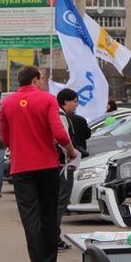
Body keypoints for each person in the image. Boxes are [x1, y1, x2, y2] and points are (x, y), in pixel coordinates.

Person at [0, 66, 76, 262]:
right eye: (41, 79)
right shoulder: (48, 99)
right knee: (48, 215)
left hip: (21, 167)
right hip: (47, 165)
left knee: (30, 218)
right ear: (34, 80)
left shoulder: (7, 103)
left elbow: (5, 139)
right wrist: (70, 150)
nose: (43, 82)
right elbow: (59, 133)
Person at [55, 89, 82, 252]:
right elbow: (63, 138)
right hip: (63, 165)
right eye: (75, 101)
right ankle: (54, 237)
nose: (76, 104)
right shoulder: (61, 116)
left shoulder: (57, 114)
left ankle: (53, 236)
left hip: (55, 165)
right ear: (66, 101)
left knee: (56, 202)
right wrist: (71, 153)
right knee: (60, 202)